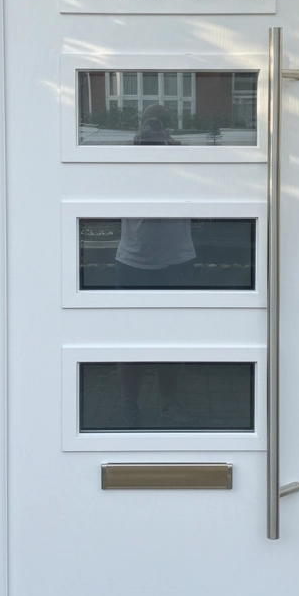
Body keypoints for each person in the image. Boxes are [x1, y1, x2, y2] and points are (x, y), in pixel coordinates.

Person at [117, 103, 195, 426]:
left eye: (160, 124)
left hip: (175, 258)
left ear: (170, 129)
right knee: (129, 340)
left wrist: (172, 155)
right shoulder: (127, 155)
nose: (153, 130)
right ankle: (128, 405)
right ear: (139, 126)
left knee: (172, 340)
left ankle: (169, 404)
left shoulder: (183, 156)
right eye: (149, 124)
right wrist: (136, 154)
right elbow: (113, 191)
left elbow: (194, 194)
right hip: (133, 258)